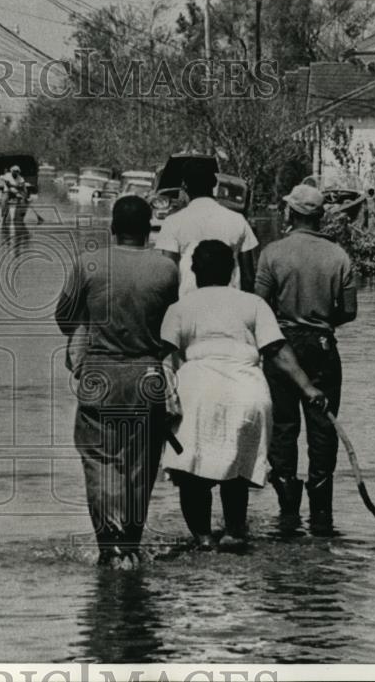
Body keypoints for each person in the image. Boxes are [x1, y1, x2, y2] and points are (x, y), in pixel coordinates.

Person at [161, 240, 327, 551]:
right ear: (233, 270)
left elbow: (163, 354)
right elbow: (276, 349)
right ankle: (234, 533)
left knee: (192, 474)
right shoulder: (253, 304)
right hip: (247, 389)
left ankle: (204, 540)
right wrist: (308, 388)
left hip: (198, 391)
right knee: (236, 471)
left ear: (194, 271)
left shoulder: (179, 308)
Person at [56, 195, 179, 568]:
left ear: (112, 228)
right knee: (141, 465)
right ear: (148, 230)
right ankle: (131, 544)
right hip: (148, 376)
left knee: (99, 462)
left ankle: (109, 548)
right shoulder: (167, 269)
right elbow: (171, 324)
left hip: (101, 376)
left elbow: (63, 318)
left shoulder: (88, 263)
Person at [255, 184, 358, 534]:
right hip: (323, 345)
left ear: (291, 214)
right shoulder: (338, 256)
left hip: (279, 344)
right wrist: (320, 320)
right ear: (318, 218)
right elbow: (350, 311)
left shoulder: (273, 253)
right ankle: (322, 518)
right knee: (323, 430)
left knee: (284, 429)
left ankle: (287, 518)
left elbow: (259, 306)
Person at [154, 157, 259, 294]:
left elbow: (168, 275)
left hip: (189, 306)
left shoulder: (173, 222)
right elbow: (249, 277)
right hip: (230, 306)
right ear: (215, 185)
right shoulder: (238, 220)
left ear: (184, 186)